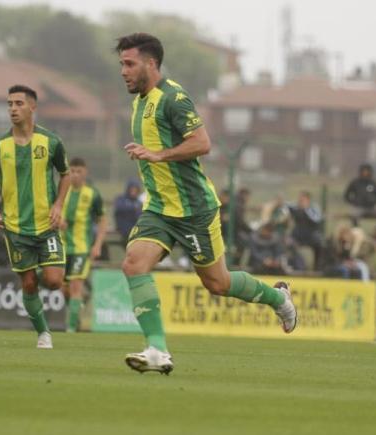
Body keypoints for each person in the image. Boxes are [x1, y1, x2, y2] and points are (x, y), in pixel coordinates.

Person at [115, 33, 297, 374]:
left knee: (217, 284)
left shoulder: (173, 97)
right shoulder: (139, 101)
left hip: (194, 209)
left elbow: (202, 142)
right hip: (159, 208)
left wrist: (158, 155)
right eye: (121, 64)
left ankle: (278, 298)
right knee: (133, 264)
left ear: (150, 63)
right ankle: (157, 349)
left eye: (129, 64)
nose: (123, 71)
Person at [0, 84, 70, 349]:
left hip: (46, 225)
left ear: (32, 107)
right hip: (16, 228)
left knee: (54, 281)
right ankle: (43, 334)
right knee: (29, 282)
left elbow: (65, 174)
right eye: (9, 104)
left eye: (19, 103)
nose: (13, 109)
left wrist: (58, 205)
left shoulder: (51, 141)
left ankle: (44, 292)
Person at [60, 158, 107, 333]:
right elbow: (51, 213)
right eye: (72, 171)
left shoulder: (92, 194)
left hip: (81, 247)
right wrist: (57, 222)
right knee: (63, 288)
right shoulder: (62, 191)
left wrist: (98, 245)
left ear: (85, 172)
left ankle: (71, 328)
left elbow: (102, 219)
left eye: (78, 171)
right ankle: (76, 310)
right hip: (62, 247)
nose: (75, 175)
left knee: (75, 286)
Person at [344, 163, 376, 234]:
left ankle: (375, 231)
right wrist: (354, 202)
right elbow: (346, 195)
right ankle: (358, 232)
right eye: (364, 171)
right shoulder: (355, 182)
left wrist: (374, 201)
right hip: (359, 207)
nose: (365, 172)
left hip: (372, 207)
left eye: (367, 171)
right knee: (353, 216)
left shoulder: (373, 183)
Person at [289, 191, 324, 271]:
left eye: (302, 199)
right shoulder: (296, 207)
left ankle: (317, 269)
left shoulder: (314, 208)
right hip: (297, 235)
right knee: (288, 243)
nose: (300, 201)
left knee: (320, 244)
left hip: (311, 236)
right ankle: (296, 267)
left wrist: (306, 210)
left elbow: (317, 220)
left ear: (308, 200)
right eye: (300, 199)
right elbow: (287, 205)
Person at [113, 179, 143, 245]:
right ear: (128, 189)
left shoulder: (139, 202)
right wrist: (133, 209)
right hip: (123, 230)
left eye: (136, 190)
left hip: (136, 231)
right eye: (132, 190)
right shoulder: (120, 199)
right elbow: (119, 210)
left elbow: (140, 215)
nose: (133, 192)